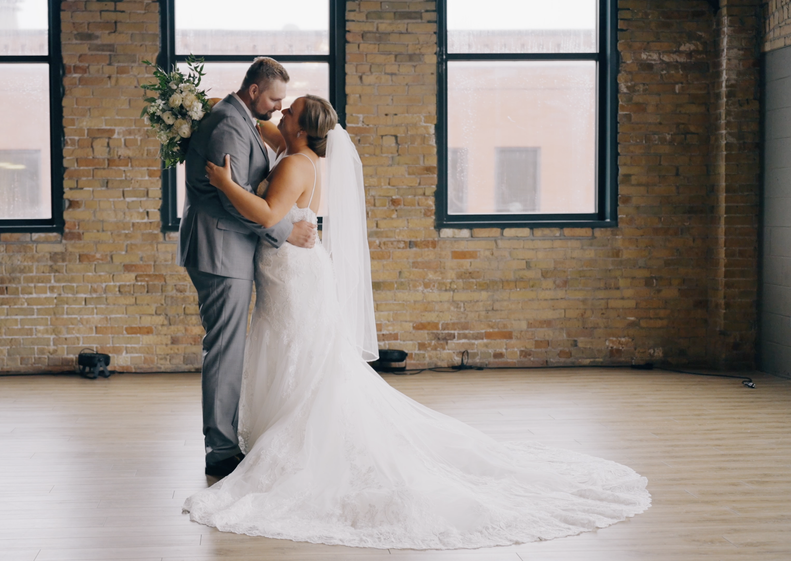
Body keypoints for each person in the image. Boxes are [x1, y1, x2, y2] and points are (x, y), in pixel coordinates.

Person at [181, 94, 651, 550]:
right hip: (289, 271)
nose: (281, 111)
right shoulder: (294, 147)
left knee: (301, 355)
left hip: (292, 274)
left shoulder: (293, 163)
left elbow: (267, 213)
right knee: (294, 354)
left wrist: (225, 184)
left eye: (292, 110)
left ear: (302, 130)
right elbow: (252, 121)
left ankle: (302, 443)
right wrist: (208, 110)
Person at [178, 58, 318, 479]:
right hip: (219, 248)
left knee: (229, 346)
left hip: (229, 248)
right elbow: (229, 198)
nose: (279, 107)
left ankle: (227, 439)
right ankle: (220, 450)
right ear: (255, 91)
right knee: (225, 348)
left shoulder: (240, 117)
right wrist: (283, 232)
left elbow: (278, 144)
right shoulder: (228, 123)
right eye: (275, 99)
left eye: (285, 104)